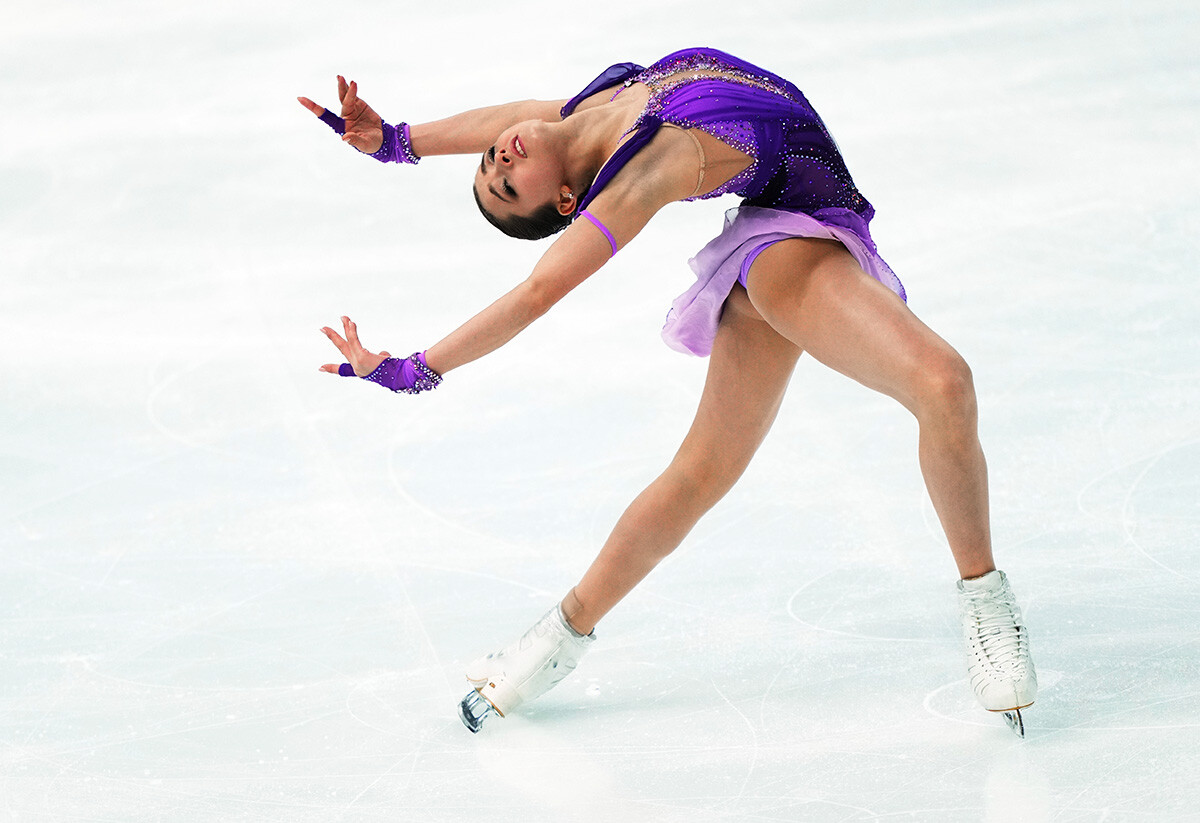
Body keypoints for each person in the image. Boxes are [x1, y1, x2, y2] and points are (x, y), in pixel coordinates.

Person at [299, 47, 1037, 736]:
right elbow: (536, 292)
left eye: (492, 161)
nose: (499, 156)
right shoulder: (649, 170)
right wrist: (413, 367)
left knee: (699, 473)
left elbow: (511, 117)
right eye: (504, 183)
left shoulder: (599, 100)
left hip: (781, 222)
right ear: (564, 200)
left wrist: (398, 140)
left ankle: (548, 645)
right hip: (792, 241)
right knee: (944, 384)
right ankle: (987, 605)